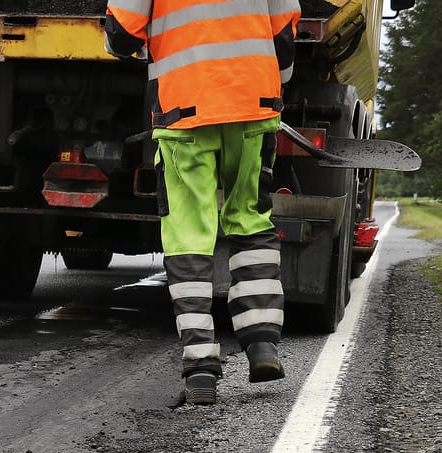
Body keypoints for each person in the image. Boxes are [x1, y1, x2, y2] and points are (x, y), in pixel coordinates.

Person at [105, 0, 301, 405]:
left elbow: (122, 34)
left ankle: (200, 371)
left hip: (185, 112)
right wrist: (269, 86)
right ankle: (262, 342)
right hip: (254, 106)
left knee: (189, 237)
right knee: (250, 220)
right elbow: (284, 35)